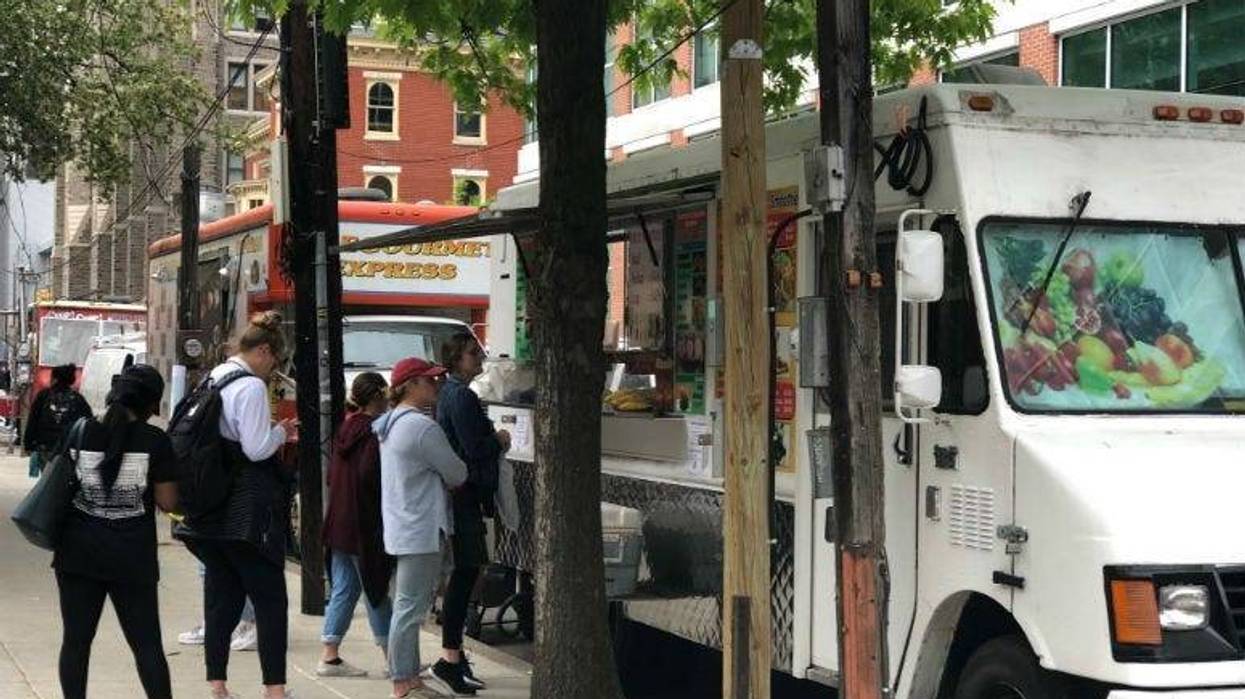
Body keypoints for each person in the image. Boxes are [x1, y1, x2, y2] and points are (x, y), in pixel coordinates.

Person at [175, 311, 298, 699]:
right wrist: (282, 432)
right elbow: (256, 449)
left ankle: (218, 684)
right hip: (244, 515)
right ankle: (274, 690)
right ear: (263, 351)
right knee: (270, 600)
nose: (272, 371)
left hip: (206, 512)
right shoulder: (250, 387)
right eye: (274, 363)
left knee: (220, 597)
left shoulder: (214, 378)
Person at [53, 364, 178, 699]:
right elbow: (168, 502)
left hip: (77, 555)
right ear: (151, 404)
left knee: (76, 642)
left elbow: (60, 479)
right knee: (147, 645)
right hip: (132, 559)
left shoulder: (80, 430)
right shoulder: (155, 441)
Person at [376, 357, 468, 698]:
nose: (436, 385)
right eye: (429, 380)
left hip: (402, 524)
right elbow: (457, 472)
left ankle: (409, 677)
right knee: (410, 609)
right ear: (410, 385)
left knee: (406, 605)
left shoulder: (389, 424)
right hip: (421, 528)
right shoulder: (422, 428)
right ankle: (403, 681)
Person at [433, 333, 510, 693]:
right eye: (471, 354)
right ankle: (451, 657)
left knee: (465, 573)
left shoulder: (452, 394)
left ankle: (455, 655)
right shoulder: (461, 396)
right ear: (456, 359)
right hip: (465, 494)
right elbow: (473, 447)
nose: (478, 359)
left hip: (462, 492)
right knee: (466, 573)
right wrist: (498, 440)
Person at [318, 372, 394, 677]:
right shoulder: (374, 434)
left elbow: (332, 476)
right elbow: (371, 477)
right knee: (376, 588)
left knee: (345, 588)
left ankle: (329, 655)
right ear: (377, 396)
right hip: (363, 524)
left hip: (338, 522)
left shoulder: (345, 429)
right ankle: (395, 660)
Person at [24, 363, 92, 477]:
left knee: (47, 478)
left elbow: (33, 420)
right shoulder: (78, 399)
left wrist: (28, 444)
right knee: (63, 479)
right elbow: (87, 423)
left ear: (55, 379)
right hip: (68, 449)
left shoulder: (43, 396)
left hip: (45, 447)